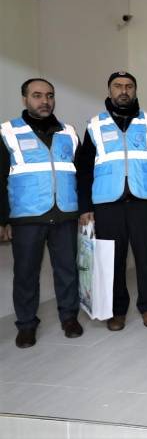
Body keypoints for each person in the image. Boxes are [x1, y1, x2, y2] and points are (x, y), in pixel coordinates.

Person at [76, 71, 147, 331]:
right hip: (107, 202)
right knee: (112, 260)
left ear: (135, 91)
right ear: (109, 90)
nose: (123, 91)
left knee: (146, 257)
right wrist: (85, 207)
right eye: (118, 86)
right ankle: (117, 310)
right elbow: (84, 170)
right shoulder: (95, 125)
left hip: (143, 200)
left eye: (128, 86)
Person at [0, 78, 84, 348]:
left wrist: (84, 210)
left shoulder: (69, 133)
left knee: (67, 269)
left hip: (65, 213)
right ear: (24, 99)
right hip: (27, 216)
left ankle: (69, 317)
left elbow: (81, 175)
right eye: (37, 95)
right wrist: (2, 219)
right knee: (25, 273)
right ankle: (26, 325)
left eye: (49, 95)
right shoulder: (8, 132)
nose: (44, 101)